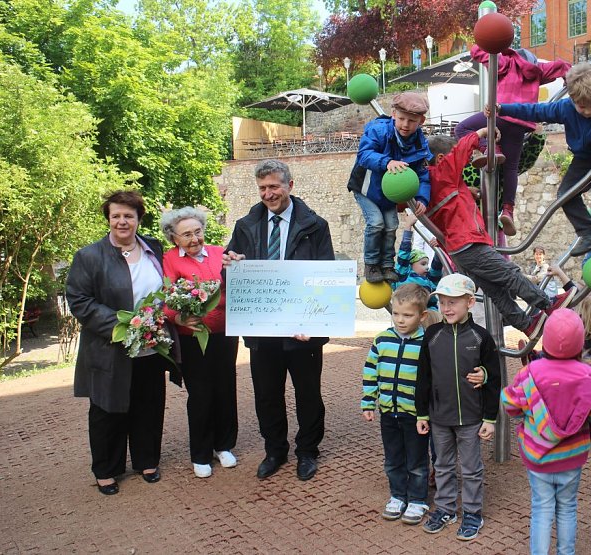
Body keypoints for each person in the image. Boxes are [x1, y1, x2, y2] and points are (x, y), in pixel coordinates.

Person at [222, 159, 334, 482]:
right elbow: (228, 272)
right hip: (262, 329)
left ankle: (308, 451)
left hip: (302, 330)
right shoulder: (245, 226)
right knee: (267, 394)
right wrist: (230, 265)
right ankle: (275, 451)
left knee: (308, 394)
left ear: (290, 186)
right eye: (262, 188)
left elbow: (325, 275)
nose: (268, 194)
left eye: (274, 186)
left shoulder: (316, 226)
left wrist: (313, 323)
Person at [66, 190, 175, 495]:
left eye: (129, 215)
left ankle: (147, 460)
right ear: (108, 219)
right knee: (107, 408)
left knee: (148, 404)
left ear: (139, 219)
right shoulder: (90, 256)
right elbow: (79, 300)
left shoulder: (153, 248)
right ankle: (106, 469)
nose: (122, 221)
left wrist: (153, 325)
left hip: (151, 345)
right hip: (110, 346)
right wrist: (123, 326)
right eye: (116, 216)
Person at [424, 131, 571, 341]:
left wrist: (467, 191)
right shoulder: (443, 172)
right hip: (469, 243)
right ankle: (548, 304)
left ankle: (527, 324)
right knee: (509, 274)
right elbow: (461, 150)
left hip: (457, 252)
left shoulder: (429, 185)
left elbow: (447, 204)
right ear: (441, 159)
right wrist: (482, 133)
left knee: (496, 292)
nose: (464, 164)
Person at [492, 63, 591, 256]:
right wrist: (503, 109)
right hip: (583, 158)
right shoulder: (565, 108)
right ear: (572, 99)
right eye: (582, 107)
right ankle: (587, 232)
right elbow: (535, 110)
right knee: (565, 194)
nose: (588, 112)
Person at [501, 308, 591, 555]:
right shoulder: (588, 375)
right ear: (580, 342)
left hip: (538, 458)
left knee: (541, 508)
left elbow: (511, 405)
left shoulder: (529, 373)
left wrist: (530, 413)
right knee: (567, 507)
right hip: (571, 457)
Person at [415, 273, 501, 541]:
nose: (446, 308)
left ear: (469, 302)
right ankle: (445, 508)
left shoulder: (481, 337)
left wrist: (490, 418)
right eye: (442, 302)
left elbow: (494, 378)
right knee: (442, 465)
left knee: (471, 469)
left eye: (453, 302)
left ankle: (473, 512)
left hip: (471, 418)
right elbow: (423, 377)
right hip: (439, 417)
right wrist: (421, 413)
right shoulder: (432, 335)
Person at [455, 46, 570, 235]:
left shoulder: (507, 63)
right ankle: (508, 209)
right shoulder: (537, 70)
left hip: (500, 114)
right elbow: (563, 66)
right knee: (511, 168)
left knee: (461, 129)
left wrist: (489, 43)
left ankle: (488, 148)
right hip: (521, 123)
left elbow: (478, 52)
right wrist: (567, 79)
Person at [160, 207, 239, 479]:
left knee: (225, 388)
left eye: (198, 232)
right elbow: (166, 298)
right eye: (186, 235)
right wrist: (179, 317)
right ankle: (201, 453)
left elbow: (238, 281)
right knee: (201, 393)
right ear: (174, 238)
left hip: (225, 334)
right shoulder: (169, 259)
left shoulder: (220, 253)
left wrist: (239, 264)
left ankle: (224, 445)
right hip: (191, 339)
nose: (194, 239)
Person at [361, 284, 431, 525]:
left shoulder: (426, 342)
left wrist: (427, 411)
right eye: (396, 314)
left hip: (415, 415)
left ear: (422, 316)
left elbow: (431, 378)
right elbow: (371, 371)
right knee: (393, 458)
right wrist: (368, 402)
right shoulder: (382, 340)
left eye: (408, 315)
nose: (400, 320)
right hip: (389, 412)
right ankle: (398, 496)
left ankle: (418, 499)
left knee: (417, 460)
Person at [354, 92, 432, 284]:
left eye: (412, 121)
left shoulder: (419, 143)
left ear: (421, 121)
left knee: (391, 225)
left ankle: (387, 265)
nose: (405, 124)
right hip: (366, 189)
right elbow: (364, 154)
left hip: (389, 194)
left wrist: (422, 198)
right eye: (402, 118)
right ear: (393, 114)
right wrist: (386, 161)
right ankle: (371, 264)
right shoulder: (378, 130)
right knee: (376, 223)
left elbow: (423, 174)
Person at [394, 213, 442, 309]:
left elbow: (437, 264)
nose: (427, 267)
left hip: (427, 313)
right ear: (411, 265)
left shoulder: (430, 280)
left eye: (427, 264)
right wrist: (408, 226)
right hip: (406, 310)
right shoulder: (403, 275)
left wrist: (440, 245)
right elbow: (404, 251)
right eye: (423, 264)